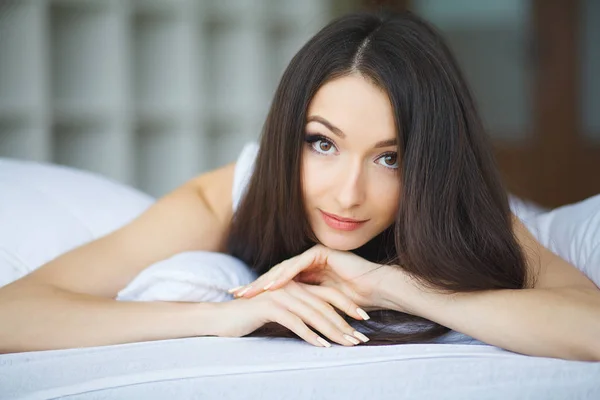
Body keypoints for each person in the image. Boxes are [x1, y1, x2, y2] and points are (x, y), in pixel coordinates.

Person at [1, 10, 599, 361]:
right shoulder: (227, 196)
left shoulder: (464, 205)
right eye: (323, 143)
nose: (346, 195)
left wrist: (400, 289)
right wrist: (219, 319)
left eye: (390, 158)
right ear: (287, 135)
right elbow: (13, 313)